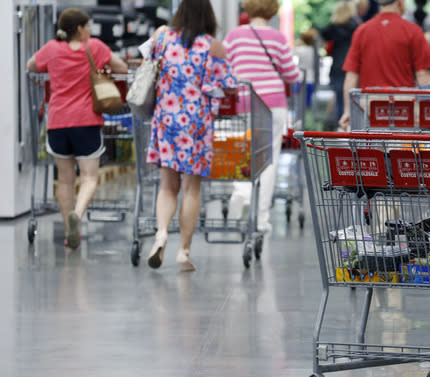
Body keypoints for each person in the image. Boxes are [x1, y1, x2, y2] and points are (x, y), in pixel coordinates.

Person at [145, 0, 238, 271]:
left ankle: (161, 233)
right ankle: (183, 252)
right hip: (196, 123)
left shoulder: (161, 38)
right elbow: (230, 86)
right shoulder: (212, 45)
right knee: (191, 188)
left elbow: (146, 64)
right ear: (208, 15)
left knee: (167, 186)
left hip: (166, 118)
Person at [26, 8, 128, 250]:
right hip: (86, 121)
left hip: (58, 122)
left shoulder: (51, 48)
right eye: (89, 26)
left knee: (64, 181)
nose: (91, 30)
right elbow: (122, 68)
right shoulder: (95, 47)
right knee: (90, 176)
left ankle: (71, 230)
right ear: (80, 28)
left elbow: (31, 66)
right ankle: (78, 215)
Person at [223, 0, 303, 238]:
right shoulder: (277, 38)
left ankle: (242, 193)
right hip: (273, 104)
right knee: (269, 160)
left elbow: (225, 68)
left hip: (245, 101)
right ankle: (261, 219)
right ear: (272, 10)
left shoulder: (235, 36)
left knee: (242, 152)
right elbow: (292, 75)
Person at [339, 0, 430, 130]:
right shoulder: (413, 31)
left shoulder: (362, 31)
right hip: (403, 106)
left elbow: (351, 76)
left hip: (370, 106)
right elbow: (423, 74)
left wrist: (347, 111)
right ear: (400, 3)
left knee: (371, 149)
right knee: (402, 149)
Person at [318, 1, 360, 118]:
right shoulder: (357, 28)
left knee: (340, 100)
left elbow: (321, 35)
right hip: (354, 66)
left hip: (338, 66)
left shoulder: (332, 29)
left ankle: (341, 126)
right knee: (355, 98)